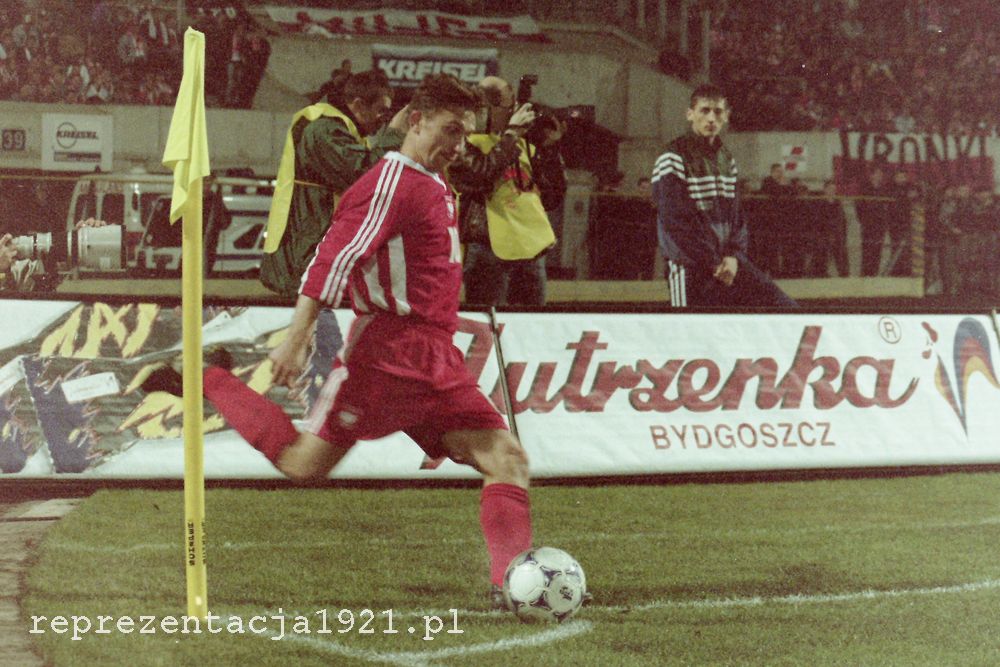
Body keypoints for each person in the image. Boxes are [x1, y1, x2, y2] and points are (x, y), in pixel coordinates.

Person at [143, 74, 536, 610]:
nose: (458, 145)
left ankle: (510, 586)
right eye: (450, 130)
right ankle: (207, 377)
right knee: (304, 465)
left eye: (465, 135)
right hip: (388, 356)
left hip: (436, 355)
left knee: (508, 460)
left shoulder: (434, 181)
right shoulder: (389, 181)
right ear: (414, 122)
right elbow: (334, 257)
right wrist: (296, 336)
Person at [260, 69, 408, 298]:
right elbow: (367, 175)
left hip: (310, 253)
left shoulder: (336, 129)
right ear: (358, 105)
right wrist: (396, 134)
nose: (384, 119)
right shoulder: (322, 130)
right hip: (303, 259)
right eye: (381, 111)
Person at [652, 84, 797, 309]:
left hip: (727, 265)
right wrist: (713, 262)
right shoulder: (672, 156)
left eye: (718, 112)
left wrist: (733, 257)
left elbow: (737, 218)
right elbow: (676, 222)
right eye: (704, 110)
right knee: (692, 336)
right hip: (690, 268)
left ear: (726, 117)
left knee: (784, 307)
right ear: (690, 114)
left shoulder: (727, 160)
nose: (711, 118)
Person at [450, 75, 564, 306]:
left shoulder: (525, 143)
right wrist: (511, 134)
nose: (516, 110)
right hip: (488, 249)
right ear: (486, 108)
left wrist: (550, 149)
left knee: (532, 327)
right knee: (491, 325)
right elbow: (478, 175)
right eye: (508, 106)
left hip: (531, 248)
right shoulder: (464, 142)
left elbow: (552, 197)